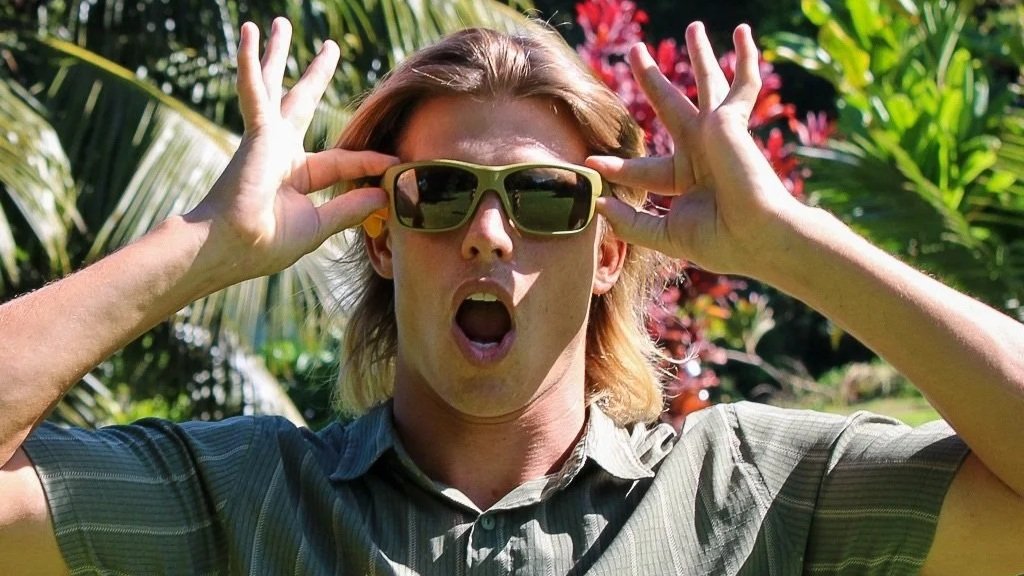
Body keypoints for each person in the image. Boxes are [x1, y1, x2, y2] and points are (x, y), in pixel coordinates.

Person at [0, 15, 1022, 575]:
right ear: (384, 236)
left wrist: (795, 246)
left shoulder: (749, 492)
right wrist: (203, 248)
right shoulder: (240, 499)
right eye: (438, 193)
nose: (488, 231)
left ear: (611, 246)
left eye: (543, 196)